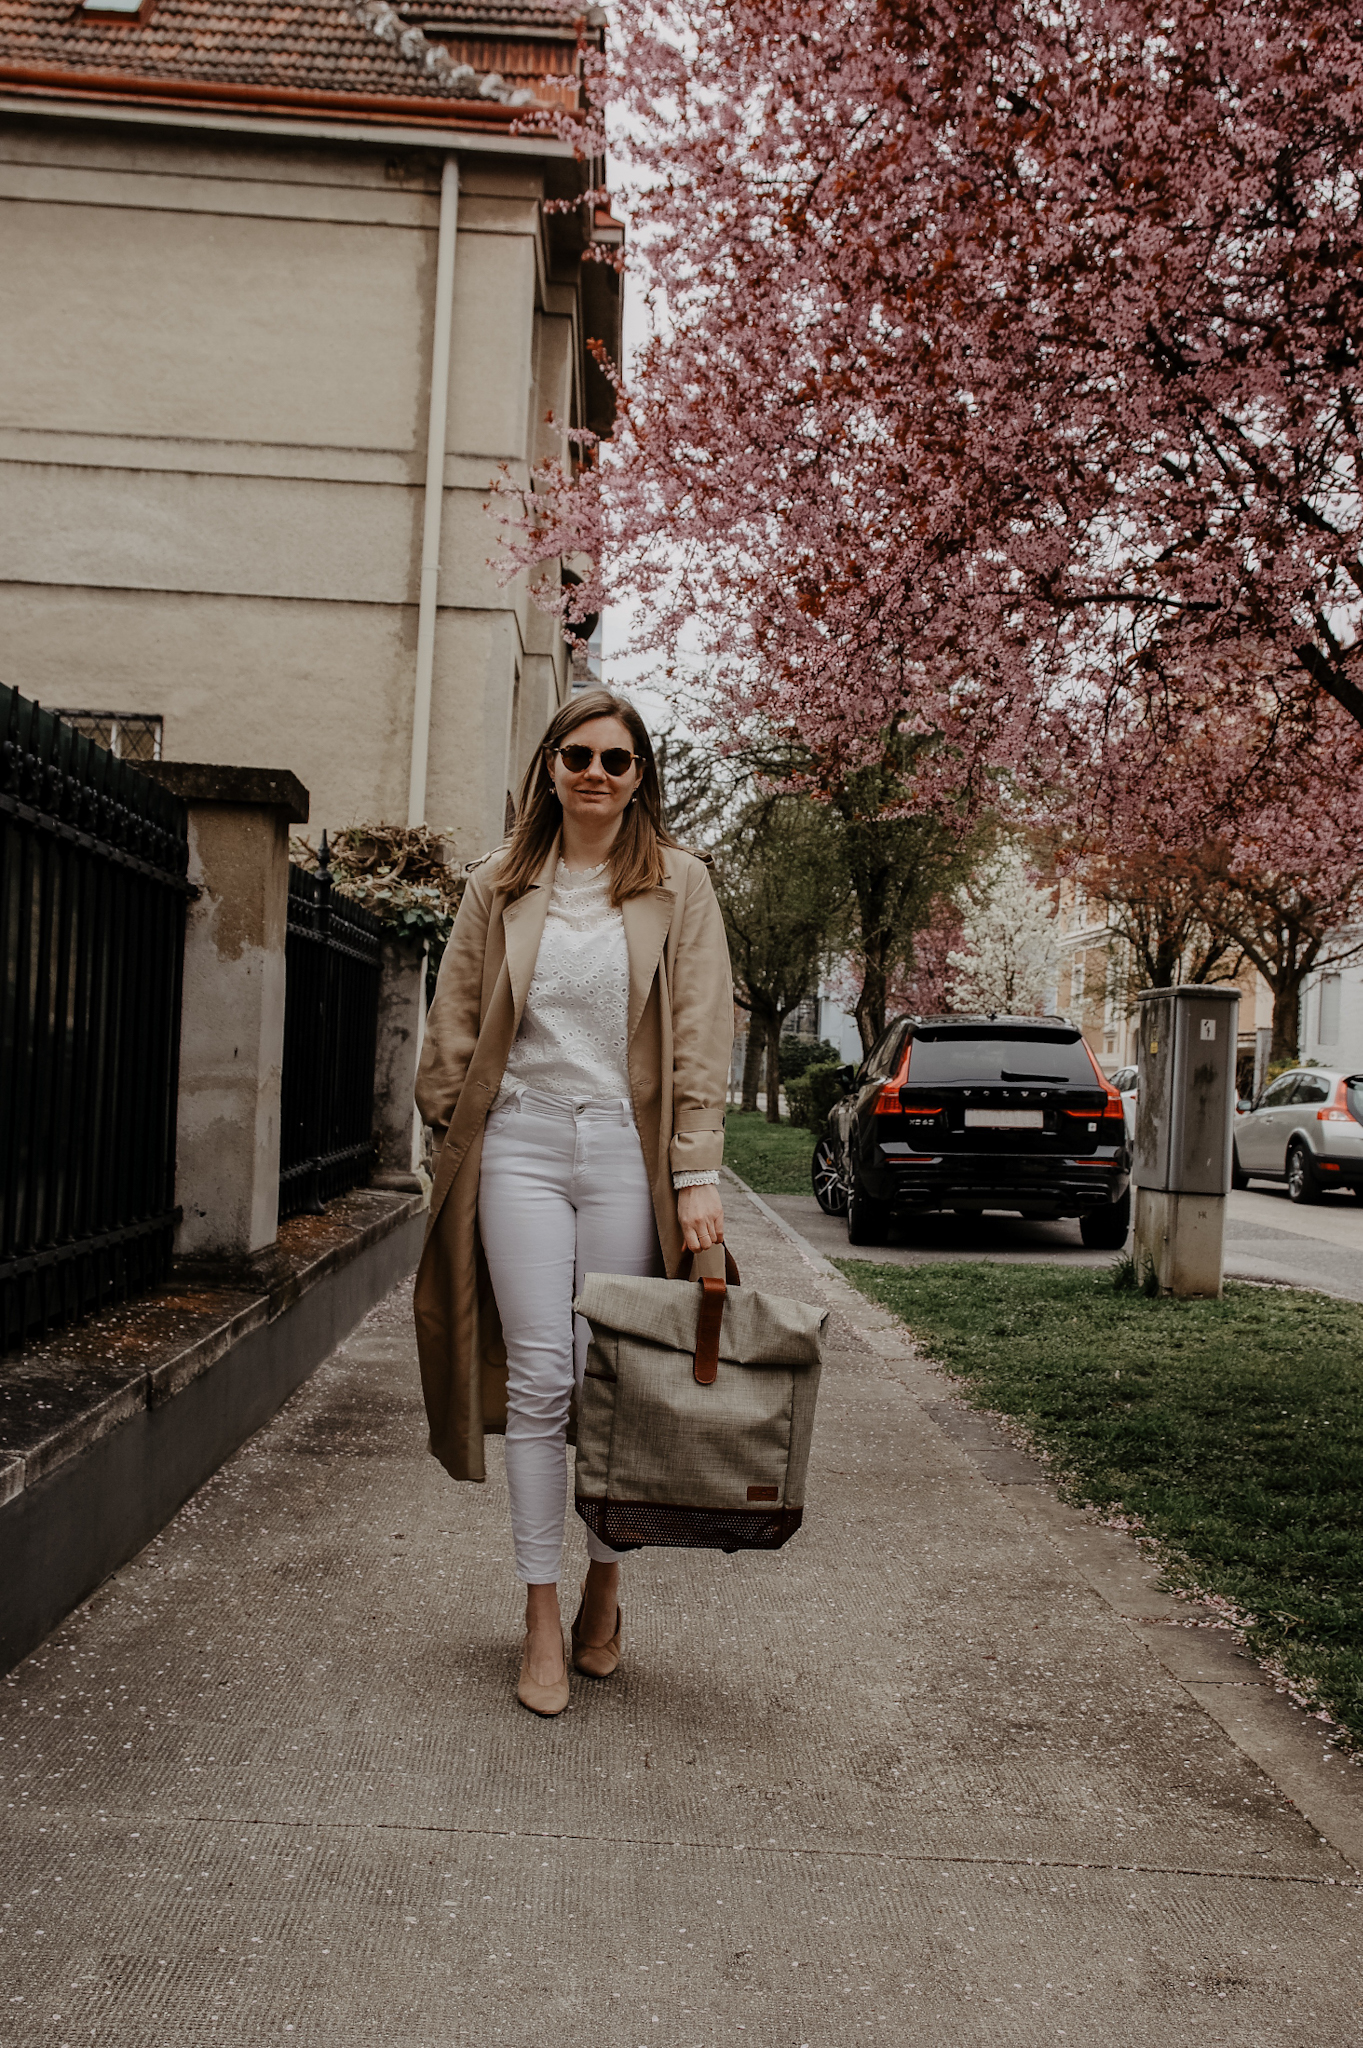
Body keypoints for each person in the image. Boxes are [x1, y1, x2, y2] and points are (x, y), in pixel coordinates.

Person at [413, 690, 734, 1716]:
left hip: (626, 1156)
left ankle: (606, 1587)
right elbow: (454, 1021)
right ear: (548, 766)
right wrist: (446, 1134)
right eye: (577, 754)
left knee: (613, 1378)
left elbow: (697, 1035)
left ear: (640, 775)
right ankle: (540, 1613)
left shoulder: (679, 886)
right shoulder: (497, 885)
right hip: (520, 1141)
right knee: (543, 1376)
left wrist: (695, 1174)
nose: (595, 772)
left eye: (617, 758)